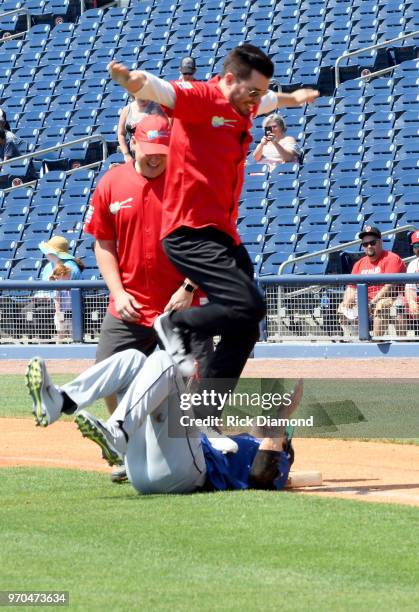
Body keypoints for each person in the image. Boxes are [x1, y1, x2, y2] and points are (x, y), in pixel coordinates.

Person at [108, 44, 319, 413]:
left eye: (260, 92)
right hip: (189, 232)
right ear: (228, 79)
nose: (255, 99)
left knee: (247, 324)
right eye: (251, 90)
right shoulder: (201, 97)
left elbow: (270, 99)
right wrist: (131, 81)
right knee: (249, 303)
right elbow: (157, 88)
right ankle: (174, 323)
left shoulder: (248, 101)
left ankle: (204, 411)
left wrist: (294, 98)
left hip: (222, 234)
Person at [25, 349, 302, 494]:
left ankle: (118, 433)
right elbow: (257, 431)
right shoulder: (240, 440)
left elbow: (261, 476)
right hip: (147, 472)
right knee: (134, 360)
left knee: (163, 360)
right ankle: (61, 401)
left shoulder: (279, 462)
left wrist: (281, 421)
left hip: (186, 477)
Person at [338, 226, 406, 337]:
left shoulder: (392, 258)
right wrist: (347, 302)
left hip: (389, 299)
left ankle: (376, 342)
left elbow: (389, 287)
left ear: (380, 242)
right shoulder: (359, 264)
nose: (369, 246)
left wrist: (371, 303)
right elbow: (351, 288)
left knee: (381, 305)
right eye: (365, 244)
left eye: (372, 242)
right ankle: (358, 339)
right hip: (365, 302)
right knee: (342, 307)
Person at [21, 236, 84, 340]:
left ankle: (46, 341)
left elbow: (62, 291)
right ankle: (38, 340)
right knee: (26, 310)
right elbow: (45, 287)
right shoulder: (49, 265)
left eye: (48, 251)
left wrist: (48, 296)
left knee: (40, 312)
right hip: (51, 300)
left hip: (66, 304)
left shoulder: (70, 266)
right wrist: (40, 295)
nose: (45, 253)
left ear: (54, 253)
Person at [117, 97, 166, 163]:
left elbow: (166, 131)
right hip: (134, 154)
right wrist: (126, 154)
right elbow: (121, 134)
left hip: (153, 153)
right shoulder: (127, 110)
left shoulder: (158, 108)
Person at [404, 230, 419, 320]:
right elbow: (409, 289)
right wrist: (411, 301)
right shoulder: (412, 264)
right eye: (416, 246)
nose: (418, 249)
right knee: (400, 305)